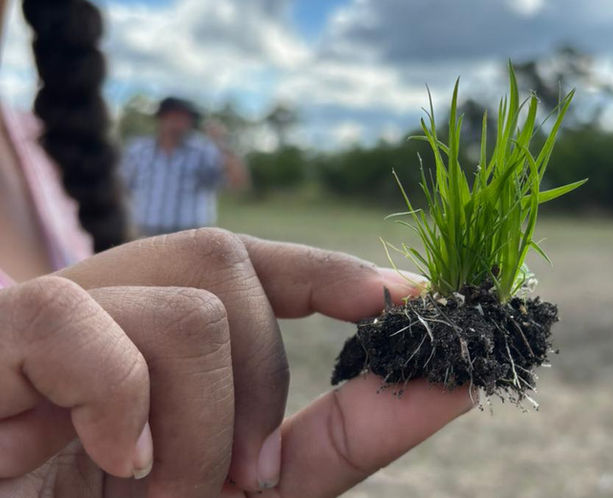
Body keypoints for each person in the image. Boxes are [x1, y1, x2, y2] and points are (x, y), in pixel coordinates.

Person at [0, 0, 471, 496]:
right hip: (145, 242)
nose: (175, 124)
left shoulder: (50, 147)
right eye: (171, 116)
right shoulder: (135, 151)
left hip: (178, 248)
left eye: (184, 117)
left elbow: (236, 181)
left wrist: (222, 146)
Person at [121, 96, 249, 237]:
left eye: (185, 119)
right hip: (145, 235)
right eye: (174, 117)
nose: (179, 124)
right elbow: (122, 188)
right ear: (161, 118)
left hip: (192, 238)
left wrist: (222, 142)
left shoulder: (204, 150)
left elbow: (237, 181)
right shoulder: (138, 150)